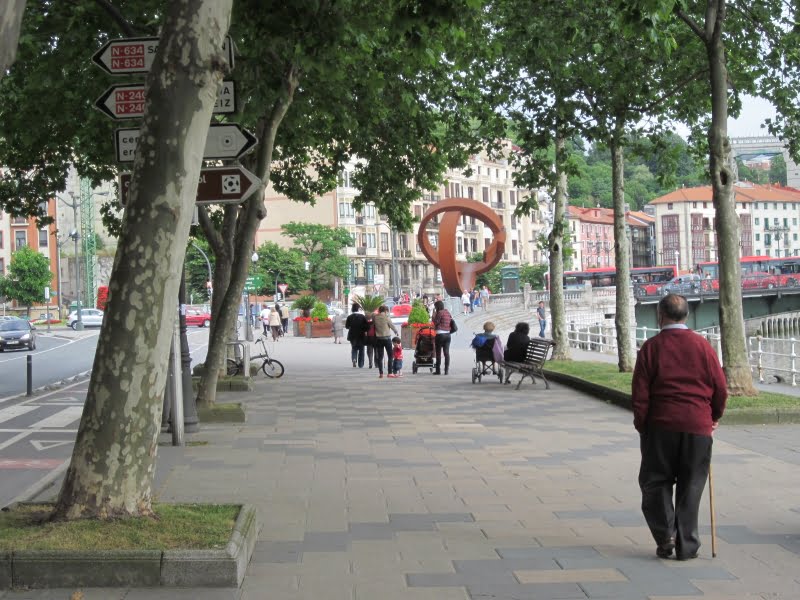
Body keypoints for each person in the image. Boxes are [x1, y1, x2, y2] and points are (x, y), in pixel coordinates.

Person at [632, 294, 727, 561]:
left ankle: (666, 537)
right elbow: (720, 388)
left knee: (655, 482)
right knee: (692, 484)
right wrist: (713, 417)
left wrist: (643, 426)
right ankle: (688, 545)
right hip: (697, 425)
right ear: (685, 315)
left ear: (660, 315)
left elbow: (640, 394)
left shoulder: (651, 348)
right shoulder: (703, 346)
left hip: (660, 426)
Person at [372, 305, 398, 378]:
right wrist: (396, 331)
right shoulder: (386, 317)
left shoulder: (375, 317)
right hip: (387, 339)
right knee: (390, 356)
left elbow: (373, 321)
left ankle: (381, 373)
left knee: (380, 357)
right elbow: (391, 325)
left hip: (378, 339)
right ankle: (390, 372)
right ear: (386, 311)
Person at [431, 299, 453, 375]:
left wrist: (433, 316)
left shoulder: (439, 313)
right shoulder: (447, 312)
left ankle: (438, 370)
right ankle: (446, 370)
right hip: (448, 335)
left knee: (438, 353)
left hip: (440, 334)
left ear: (437, 307)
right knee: (446, 353)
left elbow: (435, 323)